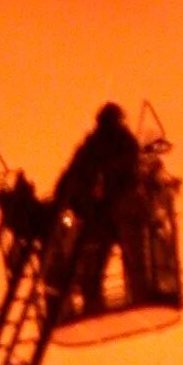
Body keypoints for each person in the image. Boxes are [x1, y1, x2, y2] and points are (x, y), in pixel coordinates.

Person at [50, 102, 146, 311]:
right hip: (107, 213)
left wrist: (60, 197)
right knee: (106, 254)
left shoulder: (105, 145)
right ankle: (104, 295)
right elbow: (74, 172)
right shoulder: (107, 145)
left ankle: (96, 296)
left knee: (100, 254)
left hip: (108, 211)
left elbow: (73, 172)